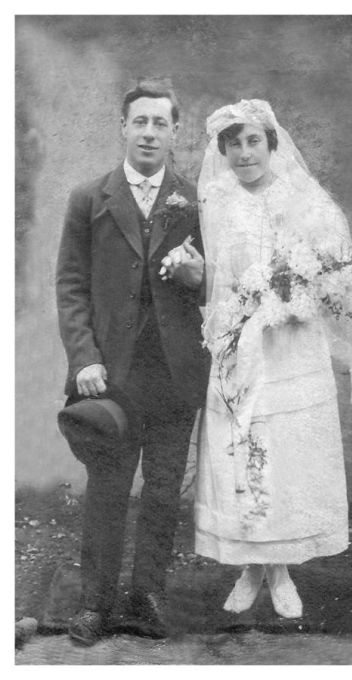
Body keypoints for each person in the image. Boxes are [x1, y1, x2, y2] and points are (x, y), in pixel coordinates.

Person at [195, 99, 352, 618]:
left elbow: (335, 277)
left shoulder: (307, 201)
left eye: (253, 141)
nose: (245, 153)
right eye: (234, 144)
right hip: (239, 347)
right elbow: (215, 282)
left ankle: (281, 570)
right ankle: (251, 566)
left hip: (292, 347)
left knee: (287, 456)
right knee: (243, 453)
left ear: (272, 144)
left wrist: (295, 302)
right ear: (222, 151)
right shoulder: (215, 201)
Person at [56, 78, 209, 645]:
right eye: (139, 121)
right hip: (110, 377)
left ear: (175, 132)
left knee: (165, 490)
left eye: (160, 123)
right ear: (124, 127)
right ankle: (95, 604)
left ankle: (146, 598)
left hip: (174, 371)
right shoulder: (87, 198)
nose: (149, 132)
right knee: (108, 487)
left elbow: (207, 285)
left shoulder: (195, 201)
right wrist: (84, 359)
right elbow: (70, 286)